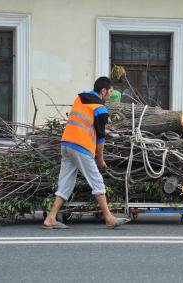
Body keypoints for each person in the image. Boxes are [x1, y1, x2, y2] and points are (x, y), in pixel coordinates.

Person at [43, 77, 130, 229]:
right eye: (109, 92)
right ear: (103, 91)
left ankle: (50, 218)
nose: (109, 96)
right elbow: (101, 138)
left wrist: (100, 129)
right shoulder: (100, 108)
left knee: (65, 184)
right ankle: (109, 218)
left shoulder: (80, 97)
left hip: (66, 144)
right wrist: (100, 159)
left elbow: (85, 121)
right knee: (97, 181)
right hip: (81, 147)